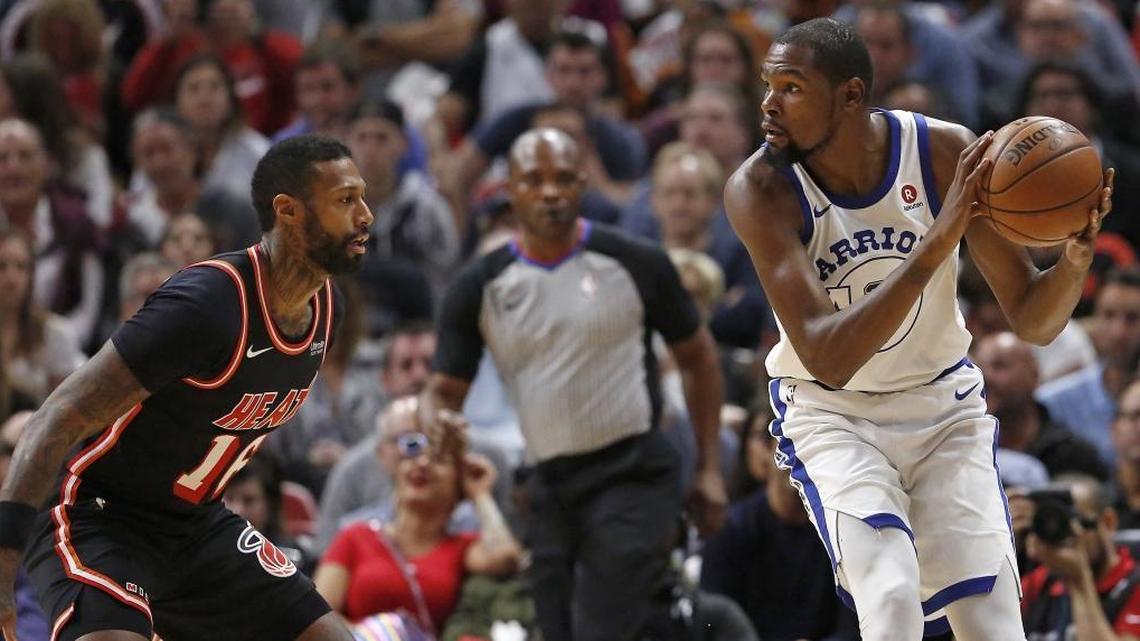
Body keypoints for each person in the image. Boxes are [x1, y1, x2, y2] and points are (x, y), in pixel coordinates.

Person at [723, 17, 1113, 641]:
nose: (769, 104)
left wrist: (1073, 260)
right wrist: (935, 243)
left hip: (941, 405)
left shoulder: (942, 153)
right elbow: (827, 357)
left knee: (995, 626)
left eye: (792, 87)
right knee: (893, 597)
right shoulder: (761, 188)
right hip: (835, 414)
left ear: (850, 95)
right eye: (769, 84)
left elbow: (1034, 318)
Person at [0, 134, 377, 641]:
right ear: (288, 211)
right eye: (345, 200)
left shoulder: (328, 311)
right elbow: (57, 416)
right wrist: (2, 571)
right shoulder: (209, 302)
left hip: (197, 524)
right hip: (97, 515)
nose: (366, 215)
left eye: (363, 198)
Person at [423, 127, 726, 641]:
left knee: (600, 625)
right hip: (547, 484)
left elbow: (700, 360)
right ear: (511, 188)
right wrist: (435, 421)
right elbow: (442, 393)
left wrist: (710, 468)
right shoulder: (478, 286)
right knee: (558, 629)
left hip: (632, 472)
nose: (550, 192)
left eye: (563, 179)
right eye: (534, 180)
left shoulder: (636, 261)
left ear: (583, 184)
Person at [313, 397, 522, 632]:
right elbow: (318, 619)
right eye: (413, 454)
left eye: (438, 460)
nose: (422, 463)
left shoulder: (461, 546)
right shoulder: (355, 536)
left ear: (458, 486)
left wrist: (480, 495)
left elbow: (505, 557)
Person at [1019, 477, 1140, 640]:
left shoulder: (1134, 586)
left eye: (1072, 520)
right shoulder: (1039, 582)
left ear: (1108, 522)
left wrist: (1079, 579)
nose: (1063, 532)